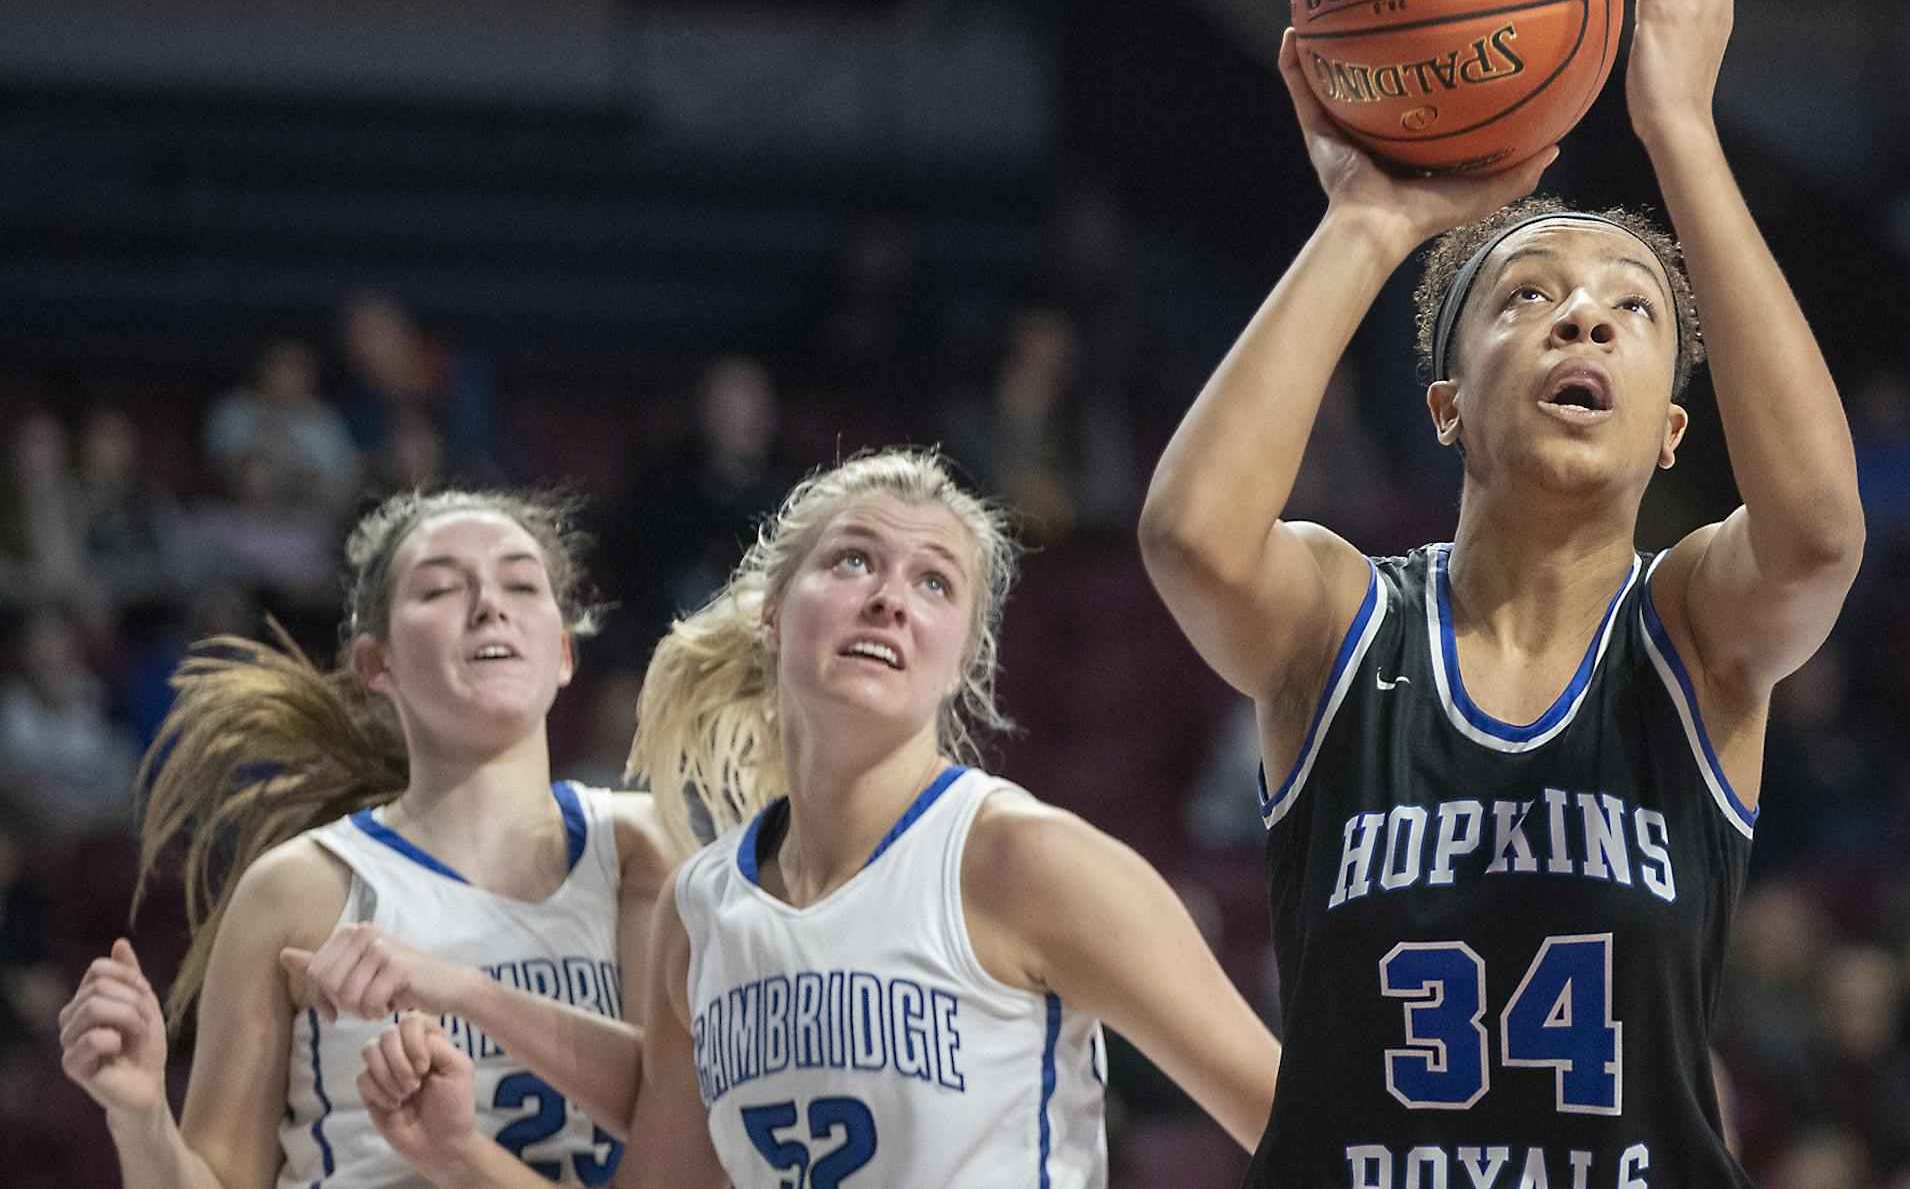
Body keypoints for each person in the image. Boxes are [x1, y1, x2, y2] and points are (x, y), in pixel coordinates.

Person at [1138, 0, 1863, 1187]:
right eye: (1526, 295)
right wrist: (1368, 221)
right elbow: (1192, 537)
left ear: (1671, 432)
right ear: (1449, 405)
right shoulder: (1344, 622)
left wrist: (1681, 131)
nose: (1584, 314)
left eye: (1634, 309)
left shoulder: (1690, 634)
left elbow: (1816, 531)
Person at [349, 448, 1280, 1188]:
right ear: (771, 613)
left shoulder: (1021, 861)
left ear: (963, 658)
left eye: (934, 583)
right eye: (854, 560)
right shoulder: (700, 909)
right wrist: (457, 1153)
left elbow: (1303, 1126)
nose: (889, 595)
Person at [54, 488, 677, 1188]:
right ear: (376, 663)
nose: (488, 603)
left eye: (522, 582)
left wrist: (465, 997)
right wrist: (139, 1118)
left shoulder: (639, 847)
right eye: (441, 586)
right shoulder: (298, 887)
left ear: (564, 652)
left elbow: (684, 1126)